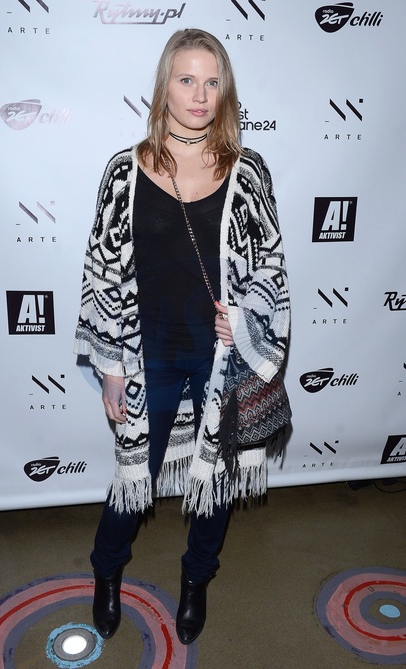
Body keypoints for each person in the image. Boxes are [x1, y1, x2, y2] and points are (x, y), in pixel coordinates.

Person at [74, 28, 290, 645]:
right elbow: (101, 271)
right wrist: (111, 367)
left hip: (220, 357)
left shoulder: (248, 171)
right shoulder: (124, 171)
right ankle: (107, 570)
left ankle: (197, 577)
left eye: (212, 82)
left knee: (216, 476)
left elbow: (271, 264)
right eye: (187, 79)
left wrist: (246, 318)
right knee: (132, 475)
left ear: (226, 91)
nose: (199, 95)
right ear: (164, 86)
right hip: (148, 356)